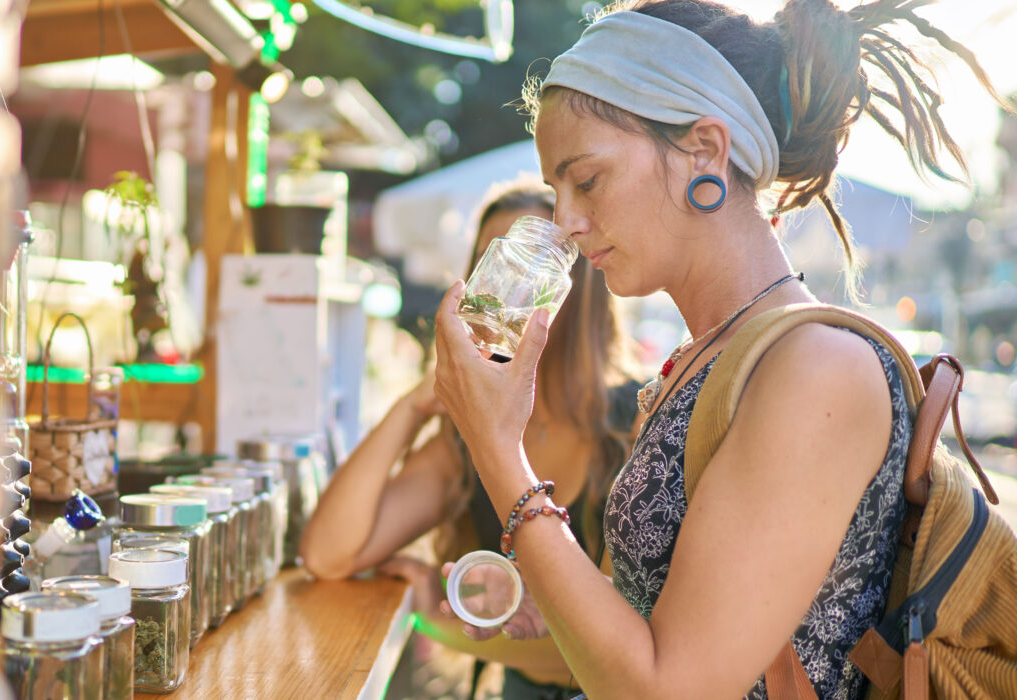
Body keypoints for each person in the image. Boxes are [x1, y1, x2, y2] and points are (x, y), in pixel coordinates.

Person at [430, 0, 1011, 698]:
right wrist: (555, 598)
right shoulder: (705, 360)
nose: (567, 223)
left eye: (585, 181)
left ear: (704, 151)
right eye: (557, 191)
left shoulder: (816, 370)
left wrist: (496, 448)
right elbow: (659, 633)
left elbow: (671, 688)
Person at [301, 181, 641, 699]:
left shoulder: (637, 422)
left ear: (572, 288)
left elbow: (620, 651)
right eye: (499, 266)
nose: (508, 295)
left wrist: (435, 622)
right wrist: (417, 402)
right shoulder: (465, 441)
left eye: (534, 268)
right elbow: (328, 555)